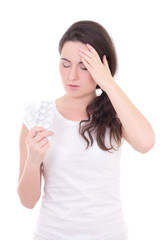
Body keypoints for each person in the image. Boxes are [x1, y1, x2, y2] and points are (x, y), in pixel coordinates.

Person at [17, 20, 155, 240]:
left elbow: (146, 143)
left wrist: (108, 83)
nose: (72, 76)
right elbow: (27, 201)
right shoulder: (37, 115)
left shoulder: (116, 113)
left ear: (102, 67)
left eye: (84, 66)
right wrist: (33, 162)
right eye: (65, 64)